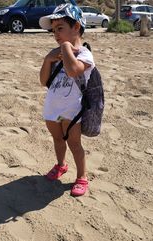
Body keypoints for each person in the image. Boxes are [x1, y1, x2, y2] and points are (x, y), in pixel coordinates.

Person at [39, 4, 94, 197]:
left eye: (60, 28)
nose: (55, 34)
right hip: (52, 107)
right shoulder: (56, 54)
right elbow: (43, 81)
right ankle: (61, 165)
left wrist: (65, 48)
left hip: (72, 110)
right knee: (57, 139)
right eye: (53, 30)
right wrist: (48, 59)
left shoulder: (85, 54)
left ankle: (82, 176)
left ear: (76, 27)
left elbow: (72, 70)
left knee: (74, 144)